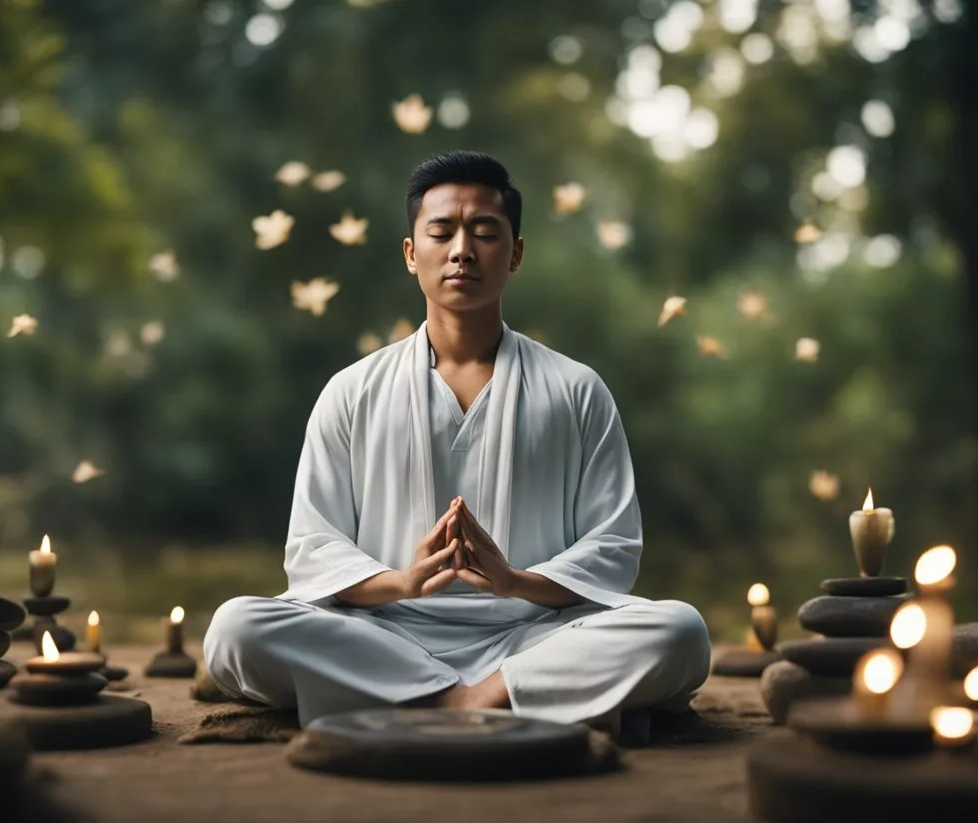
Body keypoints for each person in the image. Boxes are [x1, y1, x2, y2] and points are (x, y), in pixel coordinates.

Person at [204, 150, 711, 731]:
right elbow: (314, 550)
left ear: (515, 253)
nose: (462, 250)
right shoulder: (351, 391)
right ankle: (482, 703)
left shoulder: (576, 390)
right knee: (236, 628)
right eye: (441, 231)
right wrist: (403, 581)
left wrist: (512, 581)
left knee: (680, 631)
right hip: (384, 636)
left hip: (535, 638)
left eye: (485, 232)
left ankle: (458, 699)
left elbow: (614, 547)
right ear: (410, 252)